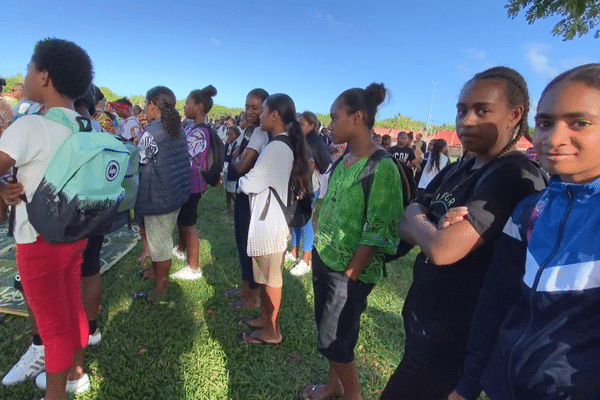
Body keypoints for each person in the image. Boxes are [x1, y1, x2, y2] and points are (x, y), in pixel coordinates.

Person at [379, 66, 548, 400]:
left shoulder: (514, 176)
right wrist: (421, 220)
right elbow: (404, 220)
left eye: (482, 110)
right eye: (461, 110)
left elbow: (443, 250)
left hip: (457, 340)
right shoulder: (463, 167)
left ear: (515, 115)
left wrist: (420, 219)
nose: (466, 121)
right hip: (426, 327)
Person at [448, 63, 600, 400]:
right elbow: (495, 303)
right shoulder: (530, 211)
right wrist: (469, 383)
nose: (554, 138)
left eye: (580, 122)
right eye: (545, 123)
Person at [0, 38, 94, 400]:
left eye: (28, 67)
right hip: (75, 234)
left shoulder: (30, 126)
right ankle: (76, 373)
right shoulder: (85, 127)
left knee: (52, 328)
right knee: (73, 307)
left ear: (44, 76)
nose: (23, 74)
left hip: (37, 239)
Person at [300, 83, 403, 400]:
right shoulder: (344, 160)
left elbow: (379, 229)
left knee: (334, 339)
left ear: (358, 117)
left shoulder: (381, 167)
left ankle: (352, 396)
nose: (329, 124)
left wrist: (349, 276)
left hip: (348, 272)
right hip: (325, 258)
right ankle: (333, 387)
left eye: (334, 117)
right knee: (332, 336)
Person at [237, 93, 311, 345]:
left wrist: (242, 179)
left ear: (275, 115)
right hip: (269, 220)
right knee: (266, 277)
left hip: (270, 223)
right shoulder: (280, 144)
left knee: (271, 282)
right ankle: (264, 318)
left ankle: (272, 331)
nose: (259, 115)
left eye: (263, 109)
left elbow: (252, 182)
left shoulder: (276, 147)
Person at [132, 86, 190, 300]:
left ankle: (161, 289)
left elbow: (141, 161)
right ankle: (155, 272)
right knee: (162, 238)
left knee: (160, 244)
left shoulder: (153, 132)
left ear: (152, 105)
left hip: (158, 197)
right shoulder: (175, 128)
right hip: (174, 193)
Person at [224, 88, 270, 310]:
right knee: (241, 241)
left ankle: (253, 297)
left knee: (249, 246)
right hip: (243, 194)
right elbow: (237, 157)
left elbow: (240, 163)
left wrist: (235, 161)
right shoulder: (249, 131)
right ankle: (245, 288)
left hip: (254, 198)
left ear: (266, 109)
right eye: (247, 106)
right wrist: (236, 160)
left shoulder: (261, 133)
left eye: (255, 107)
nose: (249, 111)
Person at [170, 85, 215, 280]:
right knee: (182, 219)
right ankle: (181, 249)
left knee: (189, 223)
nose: (185, 106)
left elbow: (186, 154)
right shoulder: (190, 127)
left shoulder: (200, 132)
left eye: (188, 103)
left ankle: (194, 268)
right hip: (185, 182)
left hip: (193, 184)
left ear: (199, 106)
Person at [287, 110, 332, 276]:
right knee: (296, 218)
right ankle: (293, 251)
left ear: (312, 126)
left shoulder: (313, 142)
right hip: (300, 184)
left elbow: (311, 165)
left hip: (308, 186)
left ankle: (306, 260)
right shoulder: (304, 140)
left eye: (302, 124)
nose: (298, 126)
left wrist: (302, 186)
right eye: (297, 123)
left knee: (305, 221)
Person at [223, 125, 241, 214]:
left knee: (231, 190)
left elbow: (232, 157)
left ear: (237, 135)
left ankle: (239, 207)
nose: (228, 136)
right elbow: (224, 153)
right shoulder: (229, 143)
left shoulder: (237, 145)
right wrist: (226, 144)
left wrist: (226, 158)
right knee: (227, 189)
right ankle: (229, 207)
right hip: (227, 169)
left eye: (231, 135)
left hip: (233, 171)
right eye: (228, 135)